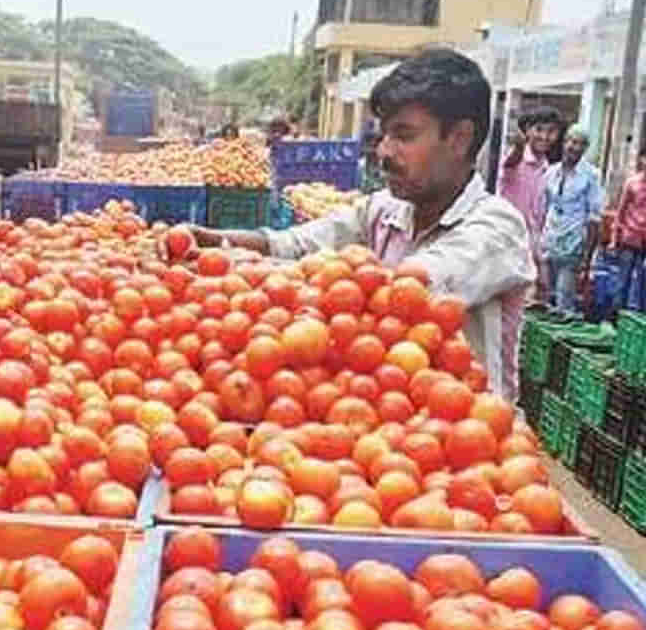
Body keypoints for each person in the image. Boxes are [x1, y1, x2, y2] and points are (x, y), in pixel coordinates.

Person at [187, 48, 535, 402]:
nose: (383, 151)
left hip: (470, 437)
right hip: (390, 420)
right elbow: (294, 244)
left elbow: (409, 291)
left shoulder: (496, 228)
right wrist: (217, 243)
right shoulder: (386, 209)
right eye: (384, 135)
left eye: (404, 135)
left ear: (459, 138)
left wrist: (259, 279)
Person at [498, 106, 561, 297]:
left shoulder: (547, 168)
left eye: (551, 131)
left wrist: (540, 258)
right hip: (506, 243)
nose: (544, 136)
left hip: (530, 248)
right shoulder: (516, 159)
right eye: (539, 130)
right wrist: (518, 145)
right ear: (527, 132)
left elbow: (538, 218)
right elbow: (512, 160)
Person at [539, 126, 604, 314]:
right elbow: (545, 208)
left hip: (572, 245)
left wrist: (587, 256)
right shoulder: (551, 172)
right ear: (564, 142)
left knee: (563, 300)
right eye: (570, 141)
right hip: (549, 242)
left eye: (579, 144)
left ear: (585, 148)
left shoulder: (591, 176)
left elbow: (594, 217)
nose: (573, 147)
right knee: (544, 298)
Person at [610, 145, 646, 311]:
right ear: (641, 160)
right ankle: (615, 316)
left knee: (641, 282)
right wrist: (613, 239)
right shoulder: (632, 183)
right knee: (622, 279)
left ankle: (636, 320)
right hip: (630, 238)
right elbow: (620, 212)